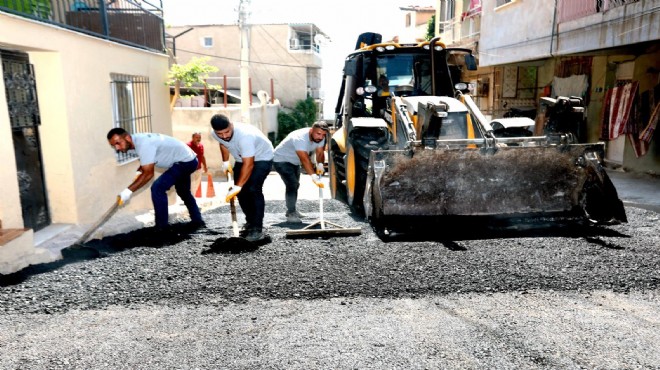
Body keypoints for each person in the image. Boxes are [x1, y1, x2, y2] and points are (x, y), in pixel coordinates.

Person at [106, 128, 204, 233]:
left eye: (118, 143)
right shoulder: (134, 143)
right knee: (183, 191)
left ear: (127, 137)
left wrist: (128, 191)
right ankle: (198, 220)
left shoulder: (143, 144)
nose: (117, 147)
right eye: (113, 145)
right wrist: (140, 172)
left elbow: (148, 174)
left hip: (185, 162)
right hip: (188, 159)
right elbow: (146, 162)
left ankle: (162, 228)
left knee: (158, 188)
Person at [210, 114, 274, 242]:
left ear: (231, 125)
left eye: (227, 132)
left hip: (262, 157)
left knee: (252, 189)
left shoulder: (245, 136)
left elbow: (249, 164)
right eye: (220, 133)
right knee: (241, 193)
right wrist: (225, 162)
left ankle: (257, 229)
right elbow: (223, 144)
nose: (224, 136)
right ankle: (250, 222)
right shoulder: (215, 134)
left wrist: (238, 186)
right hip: (242, 158)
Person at [273, 121, 328, 224]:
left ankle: (292, 209)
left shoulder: (320, 138)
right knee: (293, 184)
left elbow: (320, 153)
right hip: (281, 160)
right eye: (318, 133)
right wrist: (313, 176)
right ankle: (291, 213)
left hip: (294, 161)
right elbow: (304, 159)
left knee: (294, 186)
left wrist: (320, 165)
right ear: (311, 130)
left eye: (323, 135)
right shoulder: (300, 138)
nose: (320, 137)